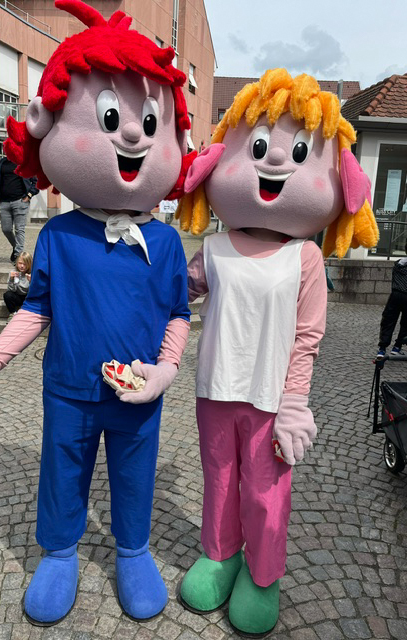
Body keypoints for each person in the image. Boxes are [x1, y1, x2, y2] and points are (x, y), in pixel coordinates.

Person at [0, 0, 197, 627]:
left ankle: (132, 550)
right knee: (62, 467)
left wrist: (166, 370)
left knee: (135, 472)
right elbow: (39, 307)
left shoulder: (163, 243)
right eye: (110, 119)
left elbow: (178, 313)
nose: (133, 137)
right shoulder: (58, 235)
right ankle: (59, 552)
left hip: (138, 389)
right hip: (69, 387)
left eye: (147, 123)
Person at [175, 69, 378, 636]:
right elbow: (176, 294)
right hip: (214, 389)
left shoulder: (305, 258)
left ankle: (263, 575)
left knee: (266, 494)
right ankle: (220, 556)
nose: (275, 163)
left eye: (297, 153)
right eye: (259, 149)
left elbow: (309, 336)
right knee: (219, 481)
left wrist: (295, 402)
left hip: (270, 398)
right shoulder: (214, 247)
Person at [0, 156, 38, 263]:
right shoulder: (2, 162)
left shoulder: (25, 161)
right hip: (4, 202)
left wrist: (29, 195)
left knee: (19, 229)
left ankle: (18, 256)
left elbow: (36, 181)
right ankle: (16, 247)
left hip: (20, 201)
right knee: (6, 229)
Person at [377, 239, 407, 357]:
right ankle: (397, 347)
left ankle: (382, 348)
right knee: (406, 323)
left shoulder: (398, 264)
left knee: (388, 320)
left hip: (395, 294)